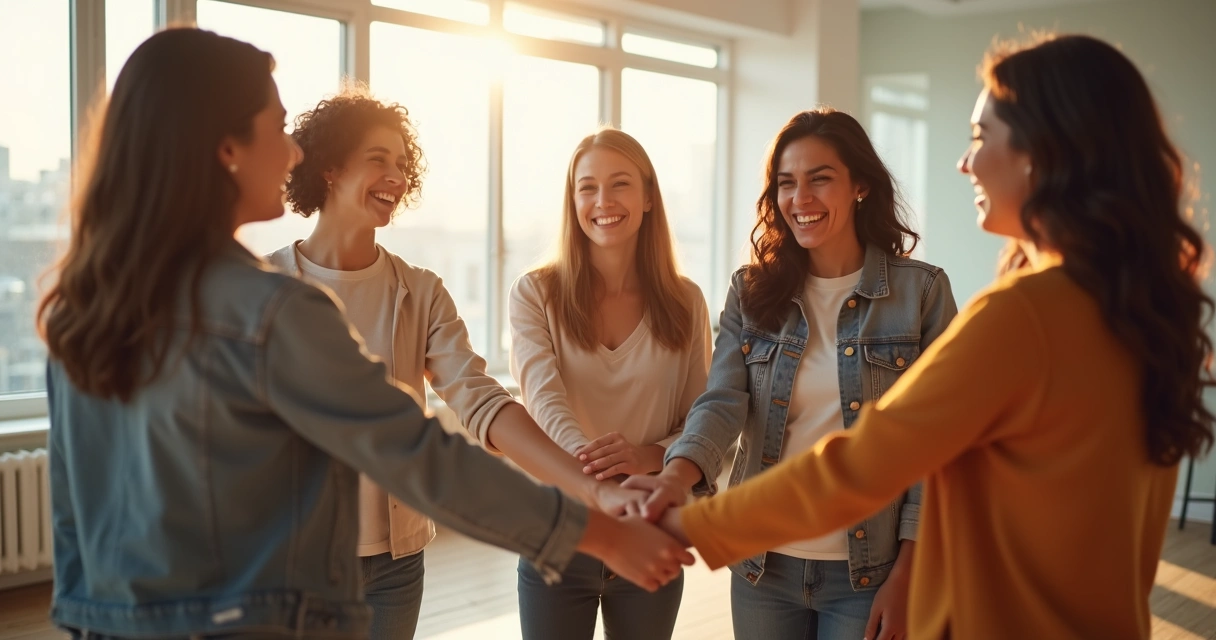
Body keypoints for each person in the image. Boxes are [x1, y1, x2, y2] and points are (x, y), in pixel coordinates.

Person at [40, 28, 691, 640]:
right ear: (227, 149)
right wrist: (599, 532)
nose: (294, 150)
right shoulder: (272, 310)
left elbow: (74, 519)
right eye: (277, 129)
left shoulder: (83, 304)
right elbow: (419, 453)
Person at [646, 34, 1215, 640]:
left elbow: (864, 463)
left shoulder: (1024, 312)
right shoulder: (1142, 310)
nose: (965, 163)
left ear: (1040, 152)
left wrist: (688, 527)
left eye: (979, 138)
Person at [266, 87, 649, 639]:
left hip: (392, 568)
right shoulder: (266, 285)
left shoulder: (419, 293)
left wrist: (594, 489)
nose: (396, 178)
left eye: (402, 165)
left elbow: (482, 400)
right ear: (329, 167)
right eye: (379, 160)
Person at [624, 108, 957, 640]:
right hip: (763, 567)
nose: (799, 199)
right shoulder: (752, 292)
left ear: (860, 187)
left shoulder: (921, 295)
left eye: (819, 179)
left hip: (869, 571)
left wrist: (910, 570)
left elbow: (938, 448)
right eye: (786, 184)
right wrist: (674, 475)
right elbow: (723, 401)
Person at [508, 128, 713, 640]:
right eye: (587, 187)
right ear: (572, 199)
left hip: (650, 528)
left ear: (648, 198)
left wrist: (646, 457)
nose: (603, 202)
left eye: (620, 184)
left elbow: (702, 422)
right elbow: (543, 400)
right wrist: (596, 477)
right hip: (558, 531)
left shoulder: (687, 303)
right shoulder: (536, 293)